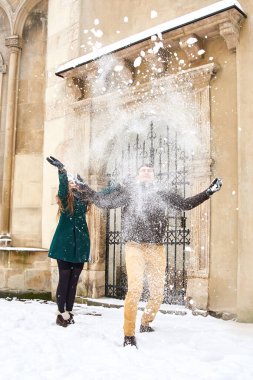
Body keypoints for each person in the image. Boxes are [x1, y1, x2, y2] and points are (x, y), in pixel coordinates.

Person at [74, 163, 222, 347]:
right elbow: (105, 203)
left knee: (158, 293)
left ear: (153, 175)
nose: (146, 172)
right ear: (138, 175)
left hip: (156, 248)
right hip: (134, 246)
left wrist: (208, 192)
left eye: (149, 171)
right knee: (135, 289)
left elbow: (185, 204)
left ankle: (145, 322)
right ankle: (129, 334)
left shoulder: (161, 193)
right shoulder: (129, 192)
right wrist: (85, 188)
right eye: (143, 170)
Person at [47, 156, 90, 327]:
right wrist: (62, 172)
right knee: (64, 278)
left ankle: (69, 311)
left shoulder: (84, 200)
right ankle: (60, 312)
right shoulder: (65, 199)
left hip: (80, 245)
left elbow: (97, 195)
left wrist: (84, 185)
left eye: (74, 181)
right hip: (64, 245)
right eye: (70, 181)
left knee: (74, 280)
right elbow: (63, 188)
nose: (72, 183)